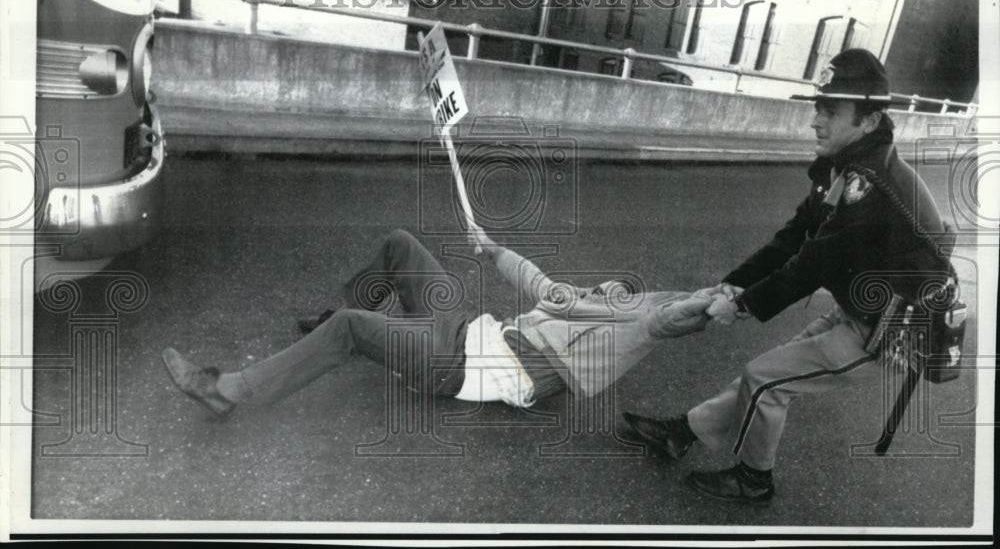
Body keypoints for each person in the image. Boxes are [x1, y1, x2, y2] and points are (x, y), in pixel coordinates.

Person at [621, 49, 957, 504]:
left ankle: (755, 480)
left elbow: (812, 264)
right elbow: (795, 236)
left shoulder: (870, 185)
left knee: (765, 378)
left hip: (888, 331)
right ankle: (683, 432)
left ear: (870, 121)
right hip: (859, 310)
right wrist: (732, 282)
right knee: (771, 374)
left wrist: (739, 306)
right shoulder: (847, 166)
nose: (816, 121)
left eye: (831, 112)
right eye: (818, 109)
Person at [163, 224, 715, 417]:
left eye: (616, 294)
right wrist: (494, 251)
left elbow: (666, 322)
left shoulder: (626, 338)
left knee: (352, 330)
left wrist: (708, 303)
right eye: (606, 286)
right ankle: (341, 325)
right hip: (472, 330)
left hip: (456, 368)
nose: (603, 290)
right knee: (401, 245)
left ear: (629, 310)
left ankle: (228, 392)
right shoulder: (579, 303)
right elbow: (543, 286)